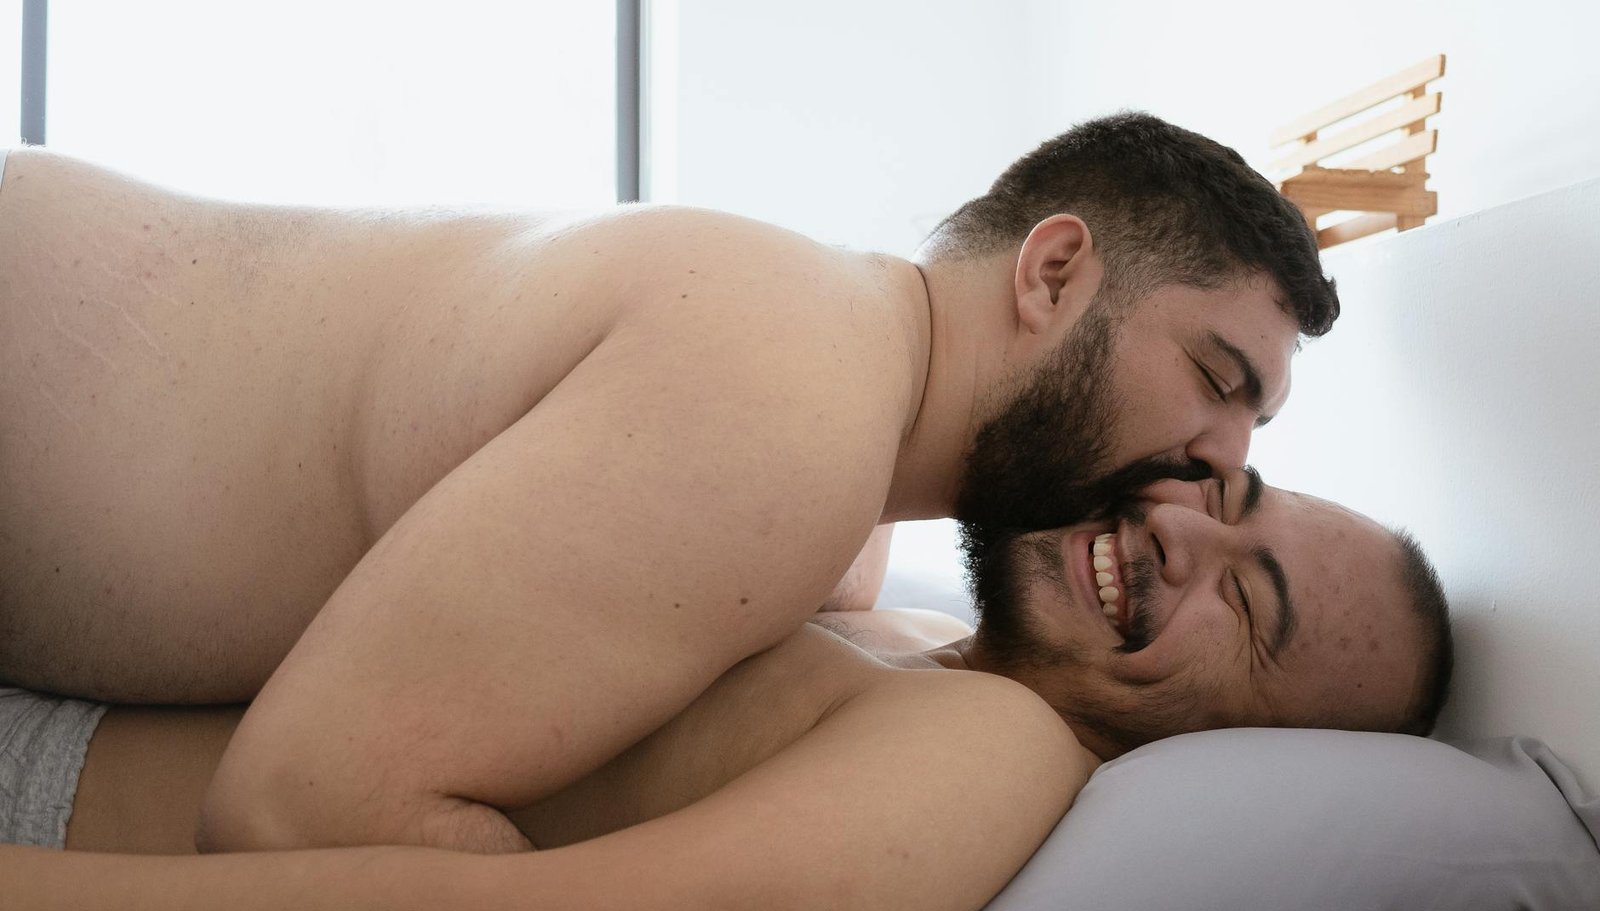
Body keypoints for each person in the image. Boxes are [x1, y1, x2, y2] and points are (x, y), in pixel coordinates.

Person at [0, 112, 1336, 857]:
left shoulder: (839, 367)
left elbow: (830, 567)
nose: (1212, 468)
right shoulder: (787, 411)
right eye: (1220, 380)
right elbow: (297, 810)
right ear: (1051, 276)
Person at [0, 471, 1450, 911]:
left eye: (1248, 609)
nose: (1182, 527)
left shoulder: (990, 753)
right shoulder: (934, 642)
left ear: (1239, 757)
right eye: (1225, 484)